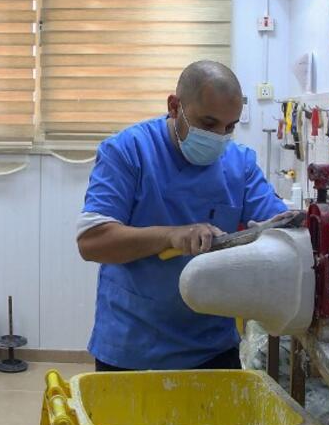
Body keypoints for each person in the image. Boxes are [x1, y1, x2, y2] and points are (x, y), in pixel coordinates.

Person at [76, 60, 289, 372]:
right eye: (208, 123)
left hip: (211, 349)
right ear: (174, 107)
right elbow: (92, 242)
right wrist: (171, 235)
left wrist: (278, 233)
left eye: (230, 127)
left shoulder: (239, 164)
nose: (219, 137)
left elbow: (280, 228)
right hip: (133, 348)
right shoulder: (128, 151)